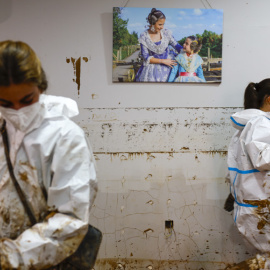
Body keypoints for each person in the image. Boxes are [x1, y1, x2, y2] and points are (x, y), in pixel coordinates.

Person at [0, 40, 98, 269]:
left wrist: (9, 257)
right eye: (5, 103)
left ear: (41, 87)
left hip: (47, 260)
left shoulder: (65, 137)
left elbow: (69, 220)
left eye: (27, 100)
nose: (17, 111)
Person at [225, 79, 270, 269]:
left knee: (265, 259)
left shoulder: (249, 125)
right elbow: (263, 159)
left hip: (255, 209)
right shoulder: (261, 124)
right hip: (260, 210)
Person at [134, 8, 183, 82]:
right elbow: (146, 57)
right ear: (152, 23)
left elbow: (177, 46)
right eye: (160, 24)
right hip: (151, 70)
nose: (162, 27)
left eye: (163, 24)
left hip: (168, 67)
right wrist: (163, 61)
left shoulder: (166, 33)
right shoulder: (144, 36)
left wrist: (191, 53)